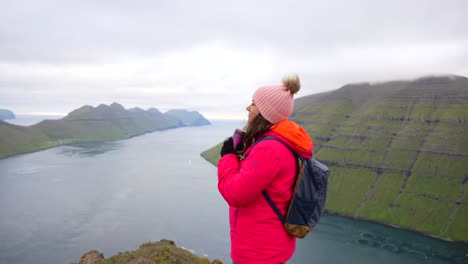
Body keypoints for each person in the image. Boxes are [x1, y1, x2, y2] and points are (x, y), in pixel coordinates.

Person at [217, 75, 314, 264]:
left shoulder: (269, 149)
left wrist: (228, 157)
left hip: (259, 252)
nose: (248, 107)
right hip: (268, 245)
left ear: (264, 112)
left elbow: (235, 194)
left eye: (253, 103)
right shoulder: (278, 142)